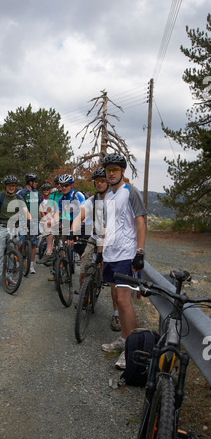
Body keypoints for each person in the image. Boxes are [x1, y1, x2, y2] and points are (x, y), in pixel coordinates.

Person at [98, 153, 147, 369]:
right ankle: (124, 340)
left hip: (126, 254)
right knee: (117, 298)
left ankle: (132, 350)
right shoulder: (108, 196)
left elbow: (140, 223)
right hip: (110, 253)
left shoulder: (131, 192)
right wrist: (100, 251)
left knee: (125, 300)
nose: (111, 173)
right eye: (108, 170)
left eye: (115, 170)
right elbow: (107, 227)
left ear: (122, 171)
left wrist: (140, 252)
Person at [70, 168, 121, 331]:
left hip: (112, 241)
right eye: (97, 181)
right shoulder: (92, 200)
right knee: (84, 267)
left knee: (113, 282)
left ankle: (116, 314)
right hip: (95, 238)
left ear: (108, 181)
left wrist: (101, 252)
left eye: (102, 180)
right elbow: (80, 215)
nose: (99, 183)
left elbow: (109, 228)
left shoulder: (114, 199)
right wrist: (72, 231)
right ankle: (84, 297)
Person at [0, 175, 26, 290]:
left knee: (12, 253)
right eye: (9, 185)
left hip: (13, 227)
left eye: (13, 185)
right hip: (1, 227)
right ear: (6, 186)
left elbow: (26, 213)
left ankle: (9, 277)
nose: (11, 187)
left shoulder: (19, 199)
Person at [17, 173, 41, 274]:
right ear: (30, 182)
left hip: (34, 222)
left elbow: (39, 206)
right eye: (35, 182)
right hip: (23, 221)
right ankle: (18, 262)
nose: (36, 184)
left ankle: (31, 265)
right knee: (21, 243)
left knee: (34, 244)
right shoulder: (21, 192)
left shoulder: (36, 193)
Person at [37, 175, 63, 265]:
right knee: (48, 225)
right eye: (57, 184)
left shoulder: (66, 193)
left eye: (60, 183)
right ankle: (49, 252)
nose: (59, 185)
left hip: (66, 218)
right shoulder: (53, 195)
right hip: (55, 218)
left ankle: (64, 255)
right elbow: (48, 210)